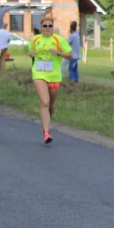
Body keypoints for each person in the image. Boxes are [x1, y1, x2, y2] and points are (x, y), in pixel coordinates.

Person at [28, 15, 74, 144]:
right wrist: (30, 53)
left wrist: (59, 53)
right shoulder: (35, 39)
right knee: (44, 102)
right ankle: (47, 132)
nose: (47, 28)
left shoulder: (58, 40)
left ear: (53, 27)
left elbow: (70, 55)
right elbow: (30, 51)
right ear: (41, 28)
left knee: (51, 105)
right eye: (45, 26)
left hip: (54, 75)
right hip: (39, 74)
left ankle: (46, 122)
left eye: (50, 26)